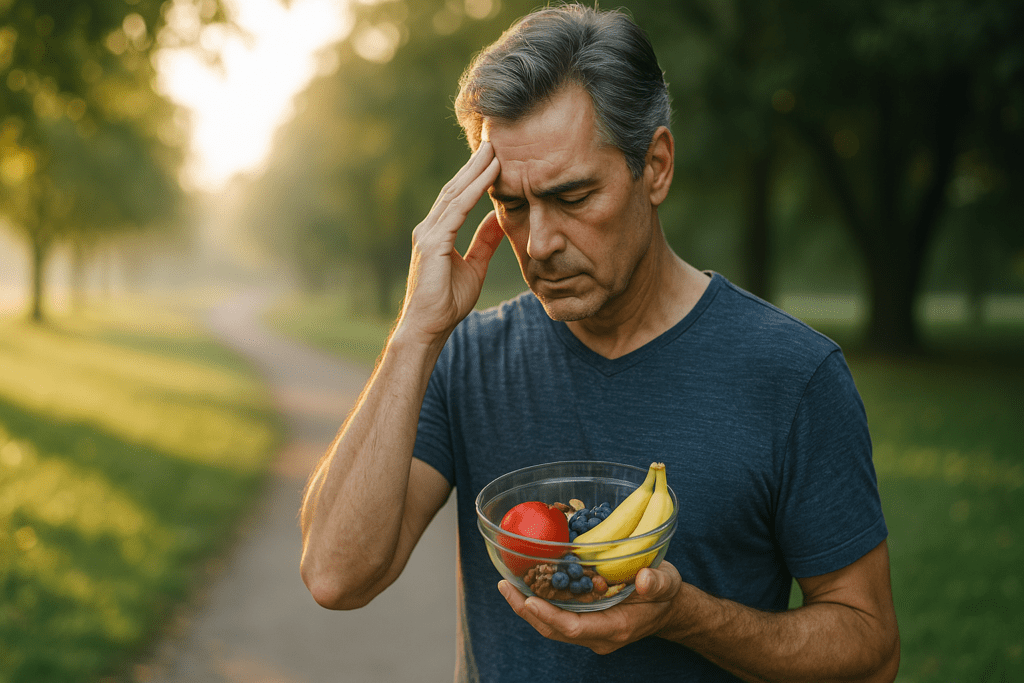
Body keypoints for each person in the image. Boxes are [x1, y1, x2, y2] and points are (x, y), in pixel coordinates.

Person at [299, 5, 900, 681]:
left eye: (575, 195)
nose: (540, 243)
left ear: (657, 167)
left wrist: (688, 616)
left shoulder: (793, 375)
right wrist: (415, 331)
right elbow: (334, 575)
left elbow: (870, 648)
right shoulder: (465, 357)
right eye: (513, 205)